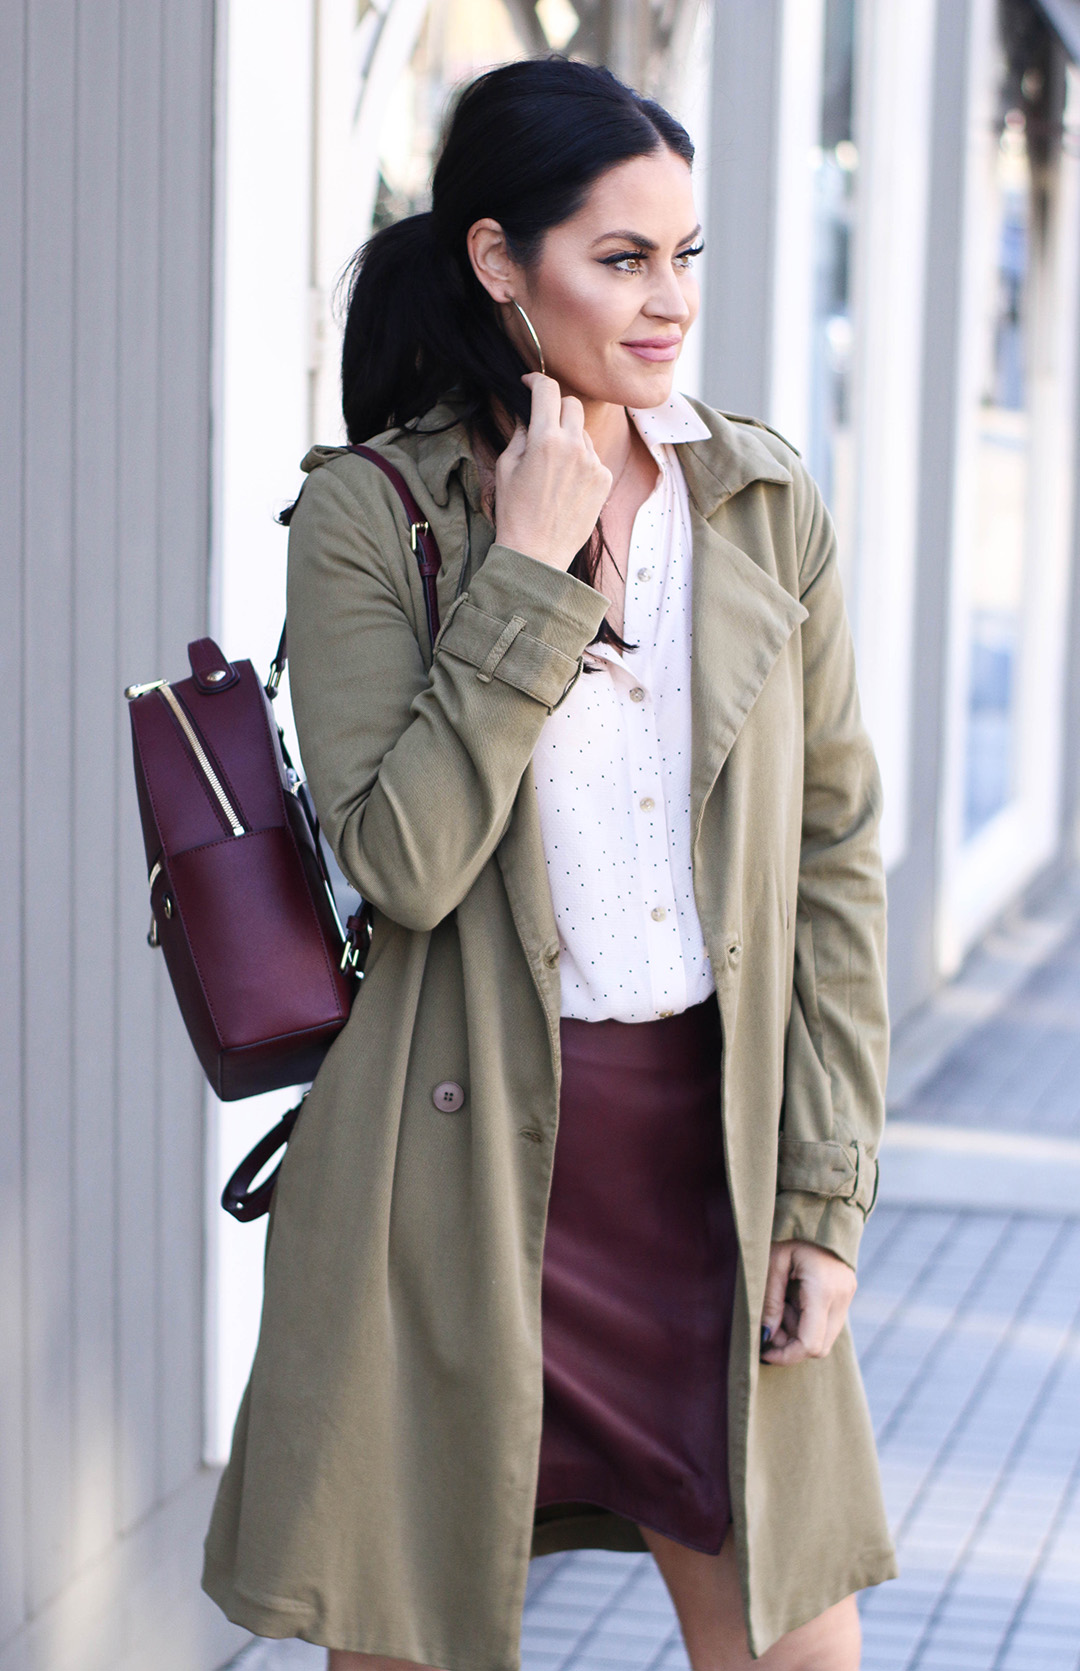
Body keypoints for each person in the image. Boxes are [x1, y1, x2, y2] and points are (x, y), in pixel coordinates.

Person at [203, 55, 895, 1671]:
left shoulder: (759, 495)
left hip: (701, 1172)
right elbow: (402, 864)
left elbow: (839, 859)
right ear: (501, 263)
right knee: (410, 1633)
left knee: (798, 1643)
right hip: (444, 1171)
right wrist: (526, 571)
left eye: (688, 257)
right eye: (623, 258)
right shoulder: (373, 518)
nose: (670, 304)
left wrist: (825, 1193)